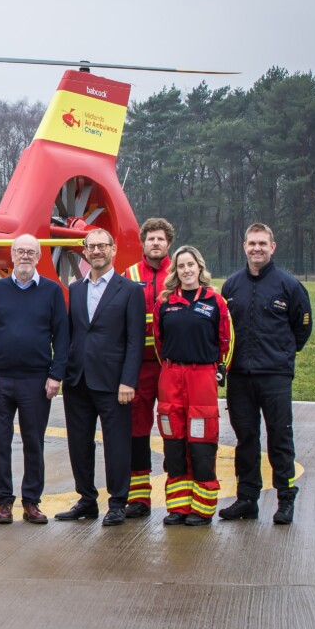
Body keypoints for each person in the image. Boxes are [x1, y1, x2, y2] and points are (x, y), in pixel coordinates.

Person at [220, 223, 312, 525]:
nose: (256, 248)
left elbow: (303, 327)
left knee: (280, 437)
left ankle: (285, 498)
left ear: (272, 247)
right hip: (240, 377)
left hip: (274, 376)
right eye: (251, 243)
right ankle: (247, 498)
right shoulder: (232, 286)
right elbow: (224, 329)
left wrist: (283, 356)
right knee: (245, 439)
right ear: (244, 246)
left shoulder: (290, 286)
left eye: (262, 243)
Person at [0, 234, 69, 525]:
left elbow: (62, 337)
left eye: (31, 252)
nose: (25, 256)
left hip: (36, 380)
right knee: (0, 441)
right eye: (20, 251)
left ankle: (32, 501)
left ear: (39, 256)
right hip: (1, 379)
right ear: (12, 256)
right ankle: (4, 501)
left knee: (34, 441)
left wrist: (56, 374)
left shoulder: (52, 291)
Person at [57, 229, 146, 527]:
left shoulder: (130, 290)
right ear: (84, 252)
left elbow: (135, 340)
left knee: (117, 444)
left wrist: (128, 380)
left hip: (114, 383)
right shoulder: (77, 288)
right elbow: (71, 333)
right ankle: (86, 499)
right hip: (78, 380)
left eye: (102, 246)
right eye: (91, 246)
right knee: (79, 443)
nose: (96, 251)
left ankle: (118, 502)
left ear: (113, 250)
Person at [153, 246, 233, 526]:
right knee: (173, 441)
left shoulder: (215, 301)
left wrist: (217, 371)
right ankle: (178, 506)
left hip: (202, 377)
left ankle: (202, 508)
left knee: (201, 441)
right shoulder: (165, 302)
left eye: (191, 265)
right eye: (181, 266)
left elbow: (226, 341)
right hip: (172, 375)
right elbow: (159, 342)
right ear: (175, 271)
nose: (186, 270)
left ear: (200, 267)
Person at [122, 217, 175, 517]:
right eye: (151, 239)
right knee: (137, 431)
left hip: (169, 367)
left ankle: (176, 497)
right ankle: (139, 499)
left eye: (161, 239)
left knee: (172, 428)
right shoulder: (129, 275)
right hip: (138, 368)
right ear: (143, 243)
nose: (155, 243)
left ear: (169, 243)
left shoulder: (179, 272)